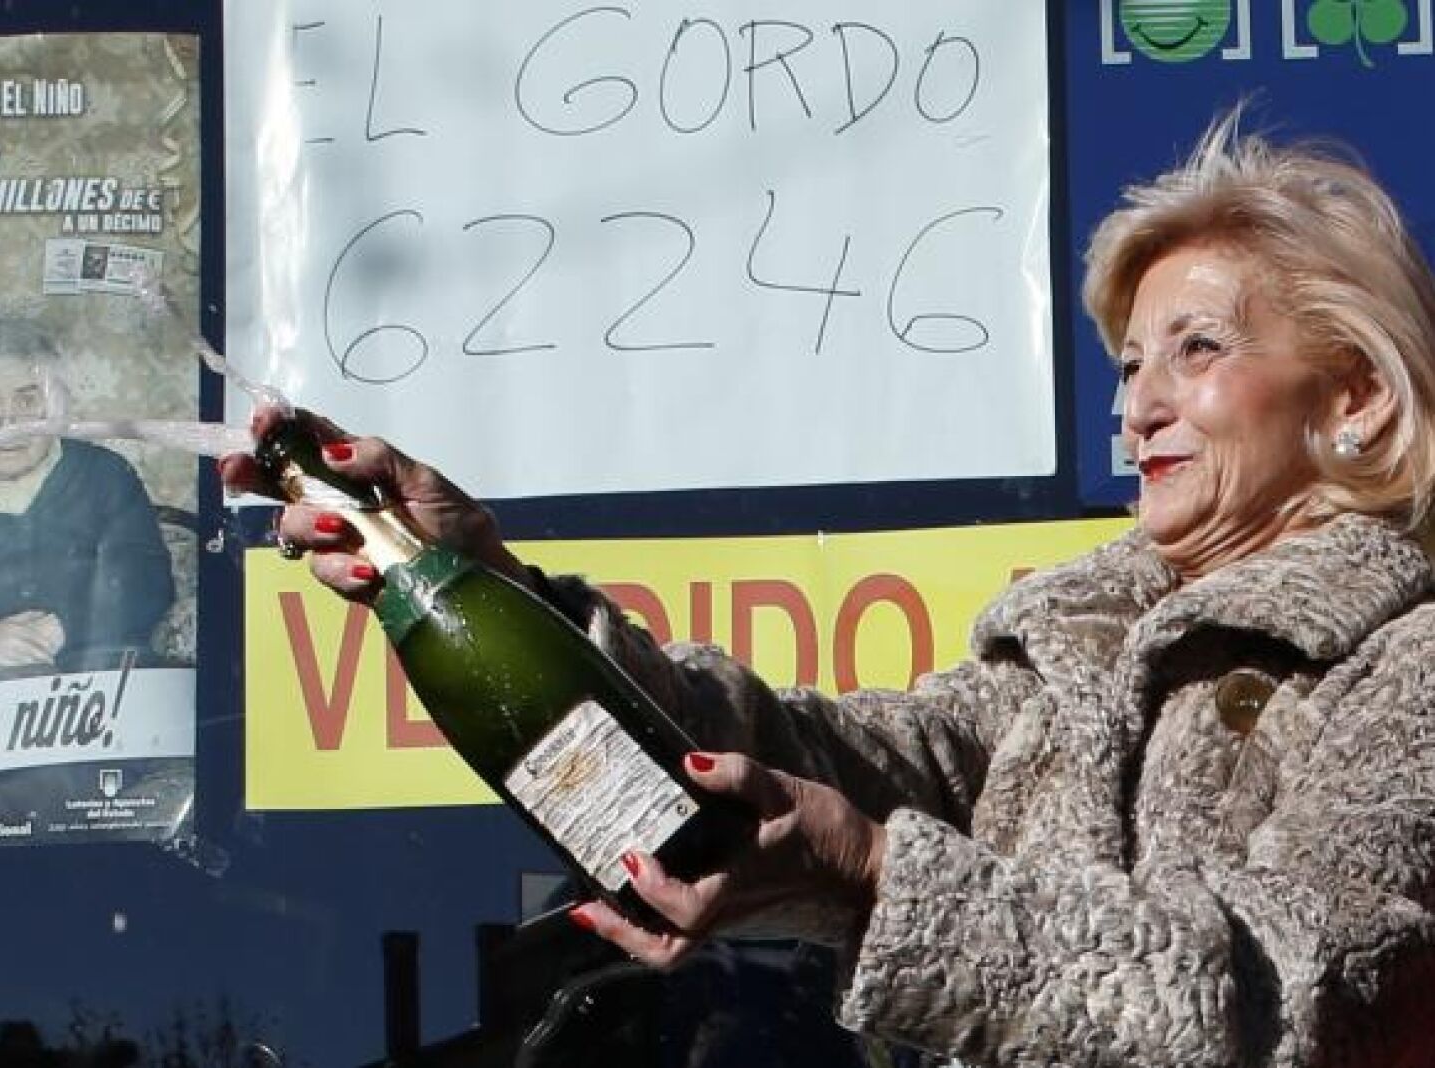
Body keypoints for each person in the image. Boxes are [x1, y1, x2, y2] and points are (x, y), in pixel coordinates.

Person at [220, 111, 1435, 1065]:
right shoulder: (1073, 655)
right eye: (1126, 366)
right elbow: (821, 760)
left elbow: (1294, 997)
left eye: (1196, 349)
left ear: (1356, 395)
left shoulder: (1408, 665)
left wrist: (872, 876)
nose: (1137, 406)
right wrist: (485, 578)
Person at [0, 316, 173, 687]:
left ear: (56, 405)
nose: (8, 423)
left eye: (28, 399)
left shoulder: (105, 476)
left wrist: (61, 629)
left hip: (97, 689)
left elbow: (147, 582)